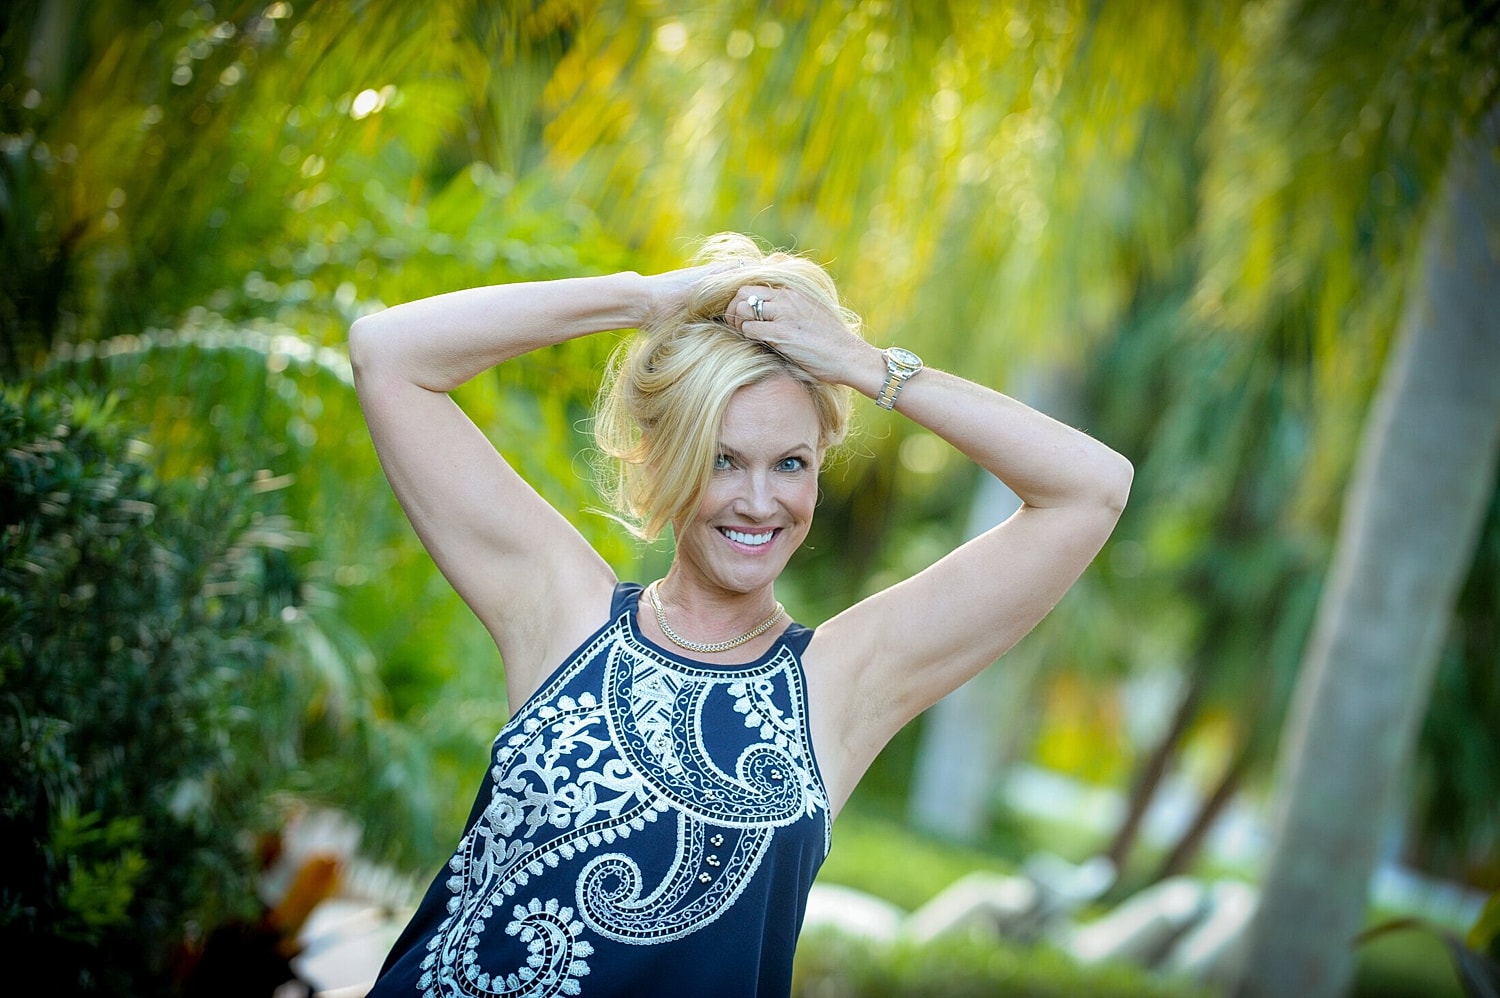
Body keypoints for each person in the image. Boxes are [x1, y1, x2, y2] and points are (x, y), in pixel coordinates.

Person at [348, 232, 1132, 997]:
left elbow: (1090, 487)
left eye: (790, 463)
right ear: (665, 462)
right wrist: (649, 300)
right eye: (722, 459)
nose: (759, 503)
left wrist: (863, 367)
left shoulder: (838, 683)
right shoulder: (562, 613)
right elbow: (389, 352)